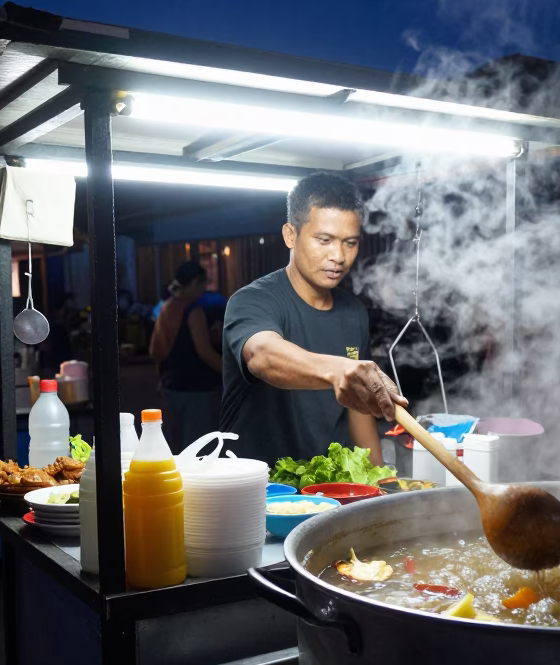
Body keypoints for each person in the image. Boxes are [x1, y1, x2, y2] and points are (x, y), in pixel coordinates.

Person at [219, 172, 405, 466]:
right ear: (290, 235)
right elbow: (262, 356)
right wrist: (340, 370)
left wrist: (380, 477)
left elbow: (357, 409)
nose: (338, 256)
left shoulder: (353, 311)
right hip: (257, 483)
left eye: (350, 243)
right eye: (324, 240)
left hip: (326, 484)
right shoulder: (252, 300)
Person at [150, 262, 226, 452]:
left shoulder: (167, 307)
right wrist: (231, 373)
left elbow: (158, 351)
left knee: (179, 448)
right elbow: (204, 351)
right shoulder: (193, 311)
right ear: (193, 283)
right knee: (199, 450)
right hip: (196, 390)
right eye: (202, 284)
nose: (203, 290)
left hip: (172, 388)